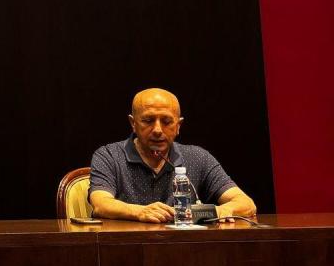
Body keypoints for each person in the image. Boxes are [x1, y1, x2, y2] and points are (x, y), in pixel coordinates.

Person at [89, 88, 256, 223]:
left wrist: (221, 210)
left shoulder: (198, 157)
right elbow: (101, 204)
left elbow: (246, 203)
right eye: (148, 120)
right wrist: (139, 212)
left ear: (178, 125)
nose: (157, 130)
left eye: (167, 122)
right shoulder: (109, 155)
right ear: (133, 123)